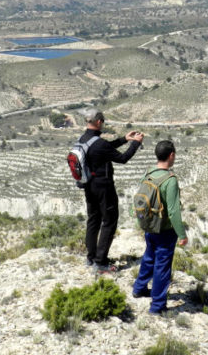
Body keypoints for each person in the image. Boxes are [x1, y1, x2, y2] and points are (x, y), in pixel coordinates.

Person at [78, 110, 144, 273]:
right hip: (104, 187)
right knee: (109, 220)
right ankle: (100, 263)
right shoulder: (99, 143)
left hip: (88, 185)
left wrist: (124, 139)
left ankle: (91, 257)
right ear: (99, 122)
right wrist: (135, 142)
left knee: (93, 220)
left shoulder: (84, 139)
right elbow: (122, 158)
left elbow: (104, 149)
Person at [132, 139, 188, 314]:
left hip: (149, 226)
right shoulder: (170, 180)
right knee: (162, 266)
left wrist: (140, 223)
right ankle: (157, 305)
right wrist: (182, 234)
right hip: (164, 230)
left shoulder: (148, 173)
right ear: (171, 155)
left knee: (149, 257)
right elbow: (173, 211)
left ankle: (139, 289)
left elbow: (140, 197)